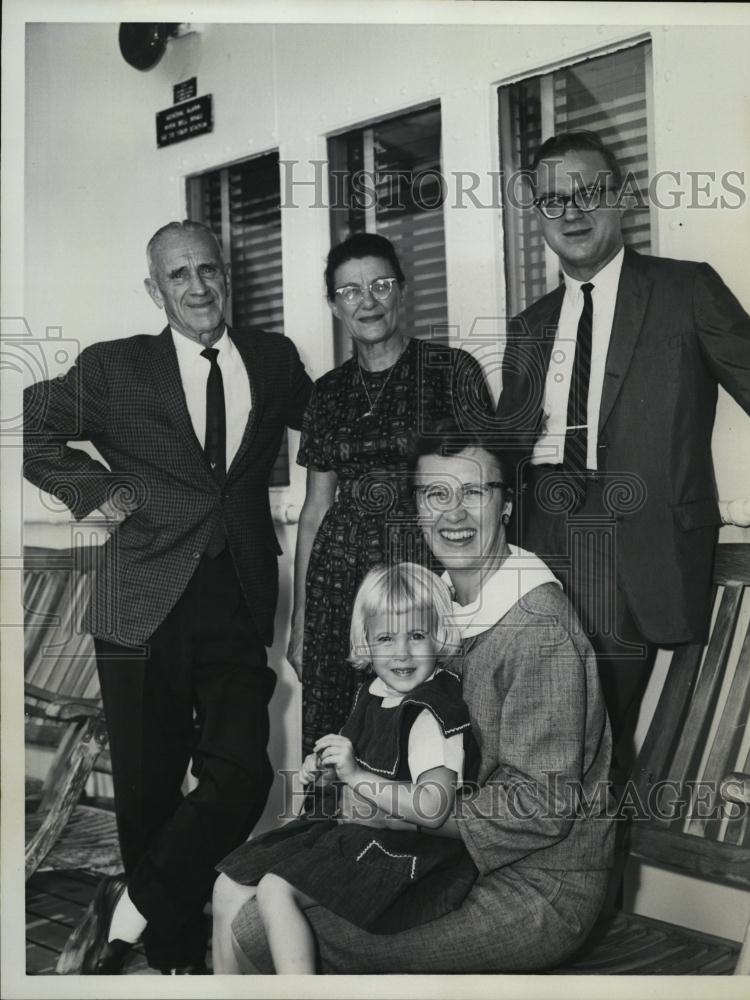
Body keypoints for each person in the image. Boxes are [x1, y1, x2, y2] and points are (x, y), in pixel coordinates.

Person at [22, 220, 313, 975]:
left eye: (208, 270)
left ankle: (131, 909)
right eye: (178, 275)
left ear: (228, 277)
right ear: (156, 289)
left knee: (241, 772)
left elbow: (330, 429)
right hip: (140, 597)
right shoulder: (117, 367)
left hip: (239, 591)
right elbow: (28, 424)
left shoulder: (274, 359)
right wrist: (100, 492)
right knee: (149, 791)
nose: (197, 286)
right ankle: (175, 955)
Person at [226, 423, 614, 973]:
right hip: (443, 856)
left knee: (261, 926)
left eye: (475, 493)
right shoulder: (437, 605)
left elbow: (538, 808)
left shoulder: (538, 628)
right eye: (437, 494)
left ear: (505, 505)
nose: (454, 515)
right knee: (247, 889)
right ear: (418, 507)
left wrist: (396, 809)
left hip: (535, 888)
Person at [495, 129, 750, 781]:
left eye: (588, 191)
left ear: (620, 197)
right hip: (543, 554)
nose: (571, 211)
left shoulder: (685, 292)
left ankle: (578, 880)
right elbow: (498, 452)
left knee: (586, 752)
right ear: (536, 215)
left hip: (634, 551)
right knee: (537, 748)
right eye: (553, 199)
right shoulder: (529, 326)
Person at [212, 562, 480, 973]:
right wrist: (327, 774)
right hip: (360, 831)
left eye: (417, 636)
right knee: (227, 884)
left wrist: (355, 776)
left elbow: (433, 807)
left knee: (275, 890)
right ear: (366, 643)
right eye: (386, 638)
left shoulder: (430, 712)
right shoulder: (374, 692)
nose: (401, 652)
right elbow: (359, 771)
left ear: (439, 636)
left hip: (415, 856)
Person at [290, 232, 493, 756]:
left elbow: (482, 494)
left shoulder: (450, 372)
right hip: (337, 583)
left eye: (380, 284)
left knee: (423, 728)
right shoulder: (326, 393)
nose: (368, 300)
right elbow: (315, 511)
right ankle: (334, 836)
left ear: (402, 291)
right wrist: (300, 624)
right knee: (336, 730)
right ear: (335, 305)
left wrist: (478, 598)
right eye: (350, 291)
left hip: (421, 572)